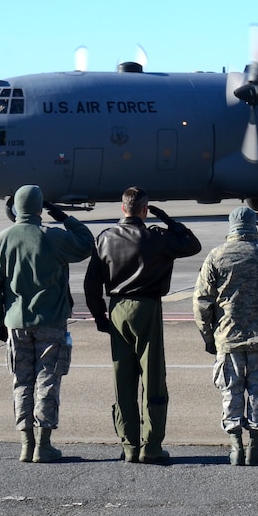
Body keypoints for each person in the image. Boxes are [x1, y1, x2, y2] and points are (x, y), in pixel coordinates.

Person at [83, 186, 201, 464]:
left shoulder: (105, 238)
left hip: (117, 309)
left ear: (123, 209)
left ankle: (129, 446)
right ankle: (152, 446)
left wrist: (100, 317)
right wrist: (170, 221)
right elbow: (191, 245)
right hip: (147, 307)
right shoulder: (156, 236)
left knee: (123, 380)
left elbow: (91, 284)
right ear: (145, 211)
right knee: (153, 379)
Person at [0, 184, 94, 463]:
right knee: (47, 380)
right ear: (40, 208)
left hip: (15, 323)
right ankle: (44, 444)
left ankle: (25, 444)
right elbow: (86, 243)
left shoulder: (0, 240)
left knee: (22, 382)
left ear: (16, 208)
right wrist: (65, 217)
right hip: (51, 322)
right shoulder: (53, 238)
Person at [193, 206, 258, 466]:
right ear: (254, 226)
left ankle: (236, 447)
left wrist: (208, 336)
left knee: (231, 391)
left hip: (228, 336)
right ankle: (256, 446)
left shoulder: (216, 256)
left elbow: (202, 301)